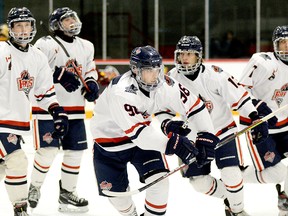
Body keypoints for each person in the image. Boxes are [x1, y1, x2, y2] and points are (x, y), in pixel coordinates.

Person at [90, 45, 220, 216]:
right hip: (108, 145)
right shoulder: (121, 92)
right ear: (136, 70)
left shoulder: (164, 84)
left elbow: (194, 105)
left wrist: (206, 135)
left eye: (158, 69)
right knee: (118, 198)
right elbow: (140, 136)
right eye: (149, 70)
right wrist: (175, 145)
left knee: (160, 183)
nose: (155, 75)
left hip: (141, 142)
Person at [166, 35, 270, 216]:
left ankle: (238, 211)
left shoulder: (215, 74)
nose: (184, 58)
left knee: (232, 174)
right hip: (193, 138)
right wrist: (168, 124)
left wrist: (254, 116)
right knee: (198, 183)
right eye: (181, 54)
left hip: (223, 131)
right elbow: (161, 107)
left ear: (198, 56)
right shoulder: (171, 79)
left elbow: (240, 97)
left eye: (189, 54)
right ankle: (229, 198)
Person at [27, 7, 99, 213]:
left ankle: (67, 194)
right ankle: (34, 187)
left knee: (75, 153)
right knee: (48, 151)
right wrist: (58, 74)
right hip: (48, 107)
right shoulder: (45, 44)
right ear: (56, 25)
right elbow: (34, 70)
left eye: (73, 18)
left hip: (76, 107)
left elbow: (90, 68)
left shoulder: (86, 46)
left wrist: (92, 83)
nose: (72, 23)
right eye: (67, 20)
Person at [0, 7, 69, 216]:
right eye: (18, 25)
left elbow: (44, 92)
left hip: (15, 123)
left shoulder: (37, 57)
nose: (23, 30)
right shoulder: (2, 52)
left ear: (32, 26)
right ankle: (20, 208)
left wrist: (57, 112)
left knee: (5, 167)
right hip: (1, 122)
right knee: (17, 161)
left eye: (27, 25)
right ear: (10, 28)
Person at [238, 25, 288, 216]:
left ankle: (285, 210)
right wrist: (257, 107)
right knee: (277, 173)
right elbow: (238, 90)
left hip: (285, 126)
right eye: (282, 42)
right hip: (260, 128)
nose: (286, 47)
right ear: (274, 45)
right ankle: (235, 178)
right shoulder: (262, 62)